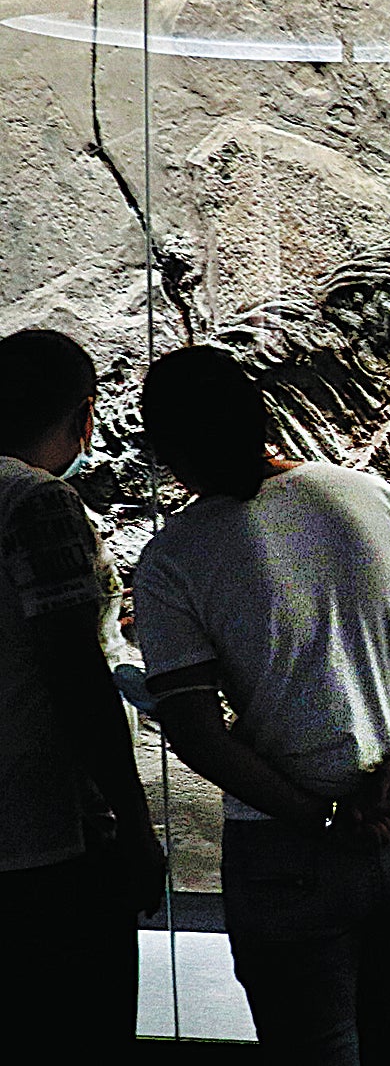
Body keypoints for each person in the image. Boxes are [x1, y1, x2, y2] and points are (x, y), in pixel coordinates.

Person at [136, 345, 390, 1066]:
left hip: (287, 844)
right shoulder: (378, 498)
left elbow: (197, 734)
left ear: (168, 447)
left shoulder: (173, 557)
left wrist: (322, 819)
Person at [0, 328, 166, 1041]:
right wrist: (132, 825)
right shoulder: (36, 502)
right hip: (49, 837)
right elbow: (74, 671)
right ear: (84, 416)